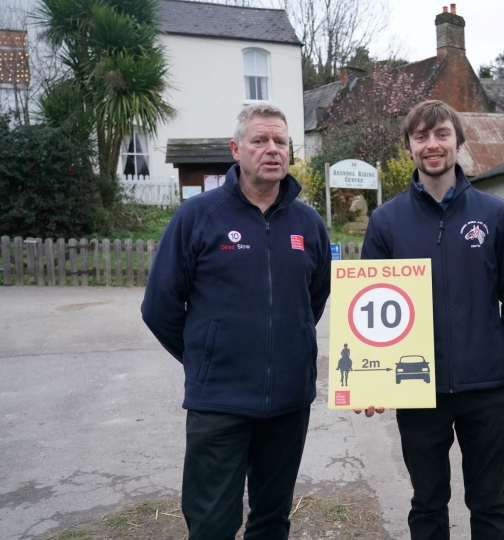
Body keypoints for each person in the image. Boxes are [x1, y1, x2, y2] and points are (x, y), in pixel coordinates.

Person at [141, 103, 331, 540]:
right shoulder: (197, 217)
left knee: (271, 521)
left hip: (288, 402)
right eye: (259, 141)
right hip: (218, 404)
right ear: (236, 149)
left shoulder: (309, 223)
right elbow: (160, 306)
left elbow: (313, 300)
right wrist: (206, 358)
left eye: (280, 142)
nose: (272, 150)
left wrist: (288, 343)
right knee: (211, 524)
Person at [358, 100, 504, 540]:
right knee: (427, 504)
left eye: (441, 134)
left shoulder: (494, 214)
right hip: (417, 390)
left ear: (459, 141)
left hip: (488, 390)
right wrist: (372, 380)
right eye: (421, 137)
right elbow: (371, 307)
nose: (432, 145)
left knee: (490, 504)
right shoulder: (386, 221)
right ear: (409, 147)